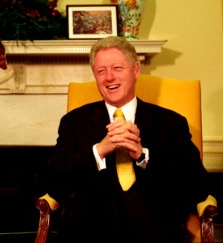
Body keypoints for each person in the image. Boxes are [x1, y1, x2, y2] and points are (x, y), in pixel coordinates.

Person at [40, 36, 214, 243]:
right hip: (90, 230)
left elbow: (197, 185)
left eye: (117, 68)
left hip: (153, 230)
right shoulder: (74, 122)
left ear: (136, 70)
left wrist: (143, 156)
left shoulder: (171, 123)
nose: (109, 77)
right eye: (101, 71)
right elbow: (54, 183)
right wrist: (98, 151)